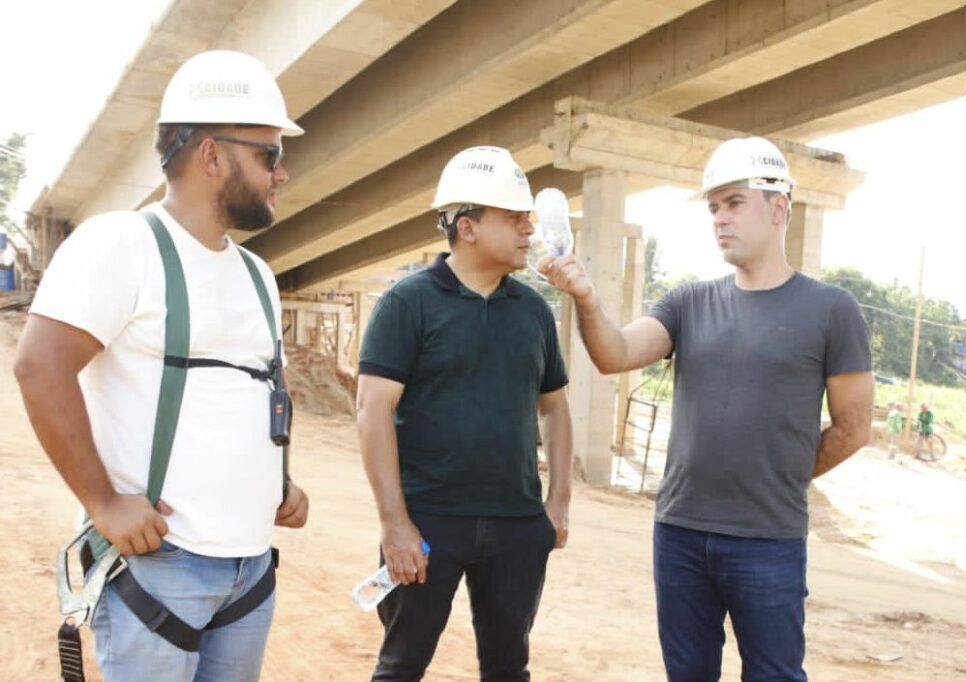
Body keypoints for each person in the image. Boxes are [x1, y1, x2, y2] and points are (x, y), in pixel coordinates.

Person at [14, 50, 309, 681]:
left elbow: (264, 389)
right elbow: (40, 367)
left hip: (249, 568)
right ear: (211, 155)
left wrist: (279, 481)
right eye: (270, 155)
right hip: (159, 568)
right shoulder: (121, 244)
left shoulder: (257, 274)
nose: (282, 174)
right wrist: (103, 502)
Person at [540, 136, 874, 681]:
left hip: (768, 540)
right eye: (714, 207)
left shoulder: (831, 311)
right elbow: (615, 354)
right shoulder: (687, 303)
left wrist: (781, 477)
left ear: (778, 207)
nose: (720, 219)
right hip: (680, 535)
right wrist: (584, 297)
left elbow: (853, 428)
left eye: (734, 203)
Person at [356, 145, 573, 681]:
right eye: (513, 217)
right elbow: (372, 411)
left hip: (517, 524)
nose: (529, 228)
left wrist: (557, 504)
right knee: (401, 665)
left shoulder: (533, 313)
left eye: (528, 217)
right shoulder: (408, 302)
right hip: (428, 521)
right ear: (468, 226)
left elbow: (555, 410)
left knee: (508, 668)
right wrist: (395, 525)